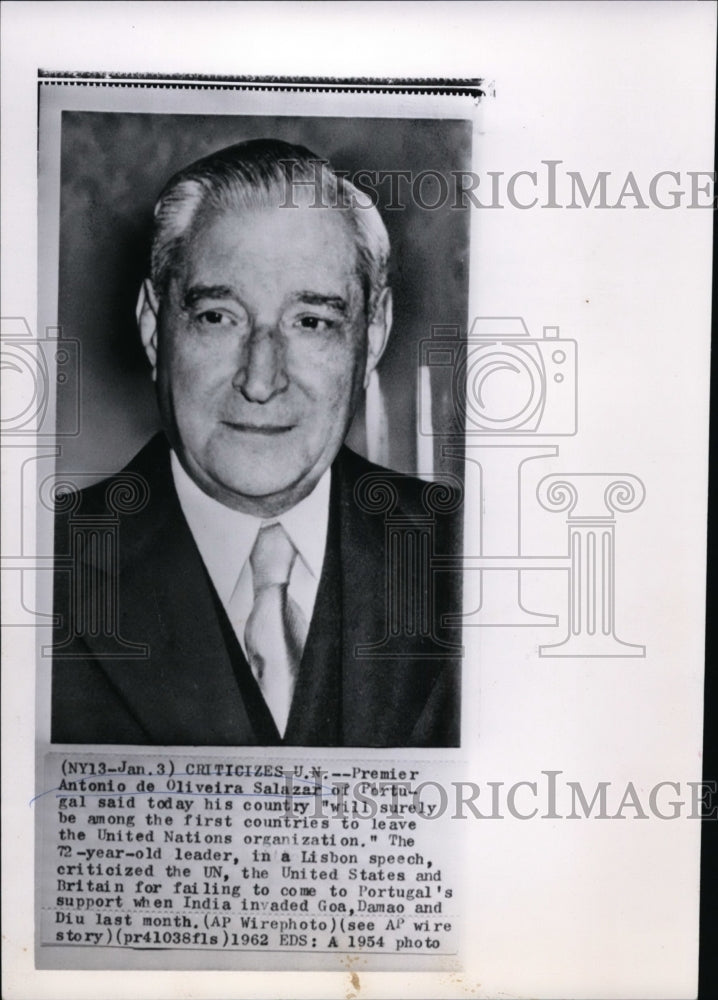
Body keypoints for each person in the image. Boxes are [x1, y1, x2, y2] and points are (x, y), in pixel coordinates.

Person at [51, 138, 462, 747]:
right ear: (152, 328)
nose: (261, 380)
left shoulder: (469, 559)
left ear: (373, 336)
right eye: (219, 316)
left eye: (312, 322)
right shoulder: (39, 570)